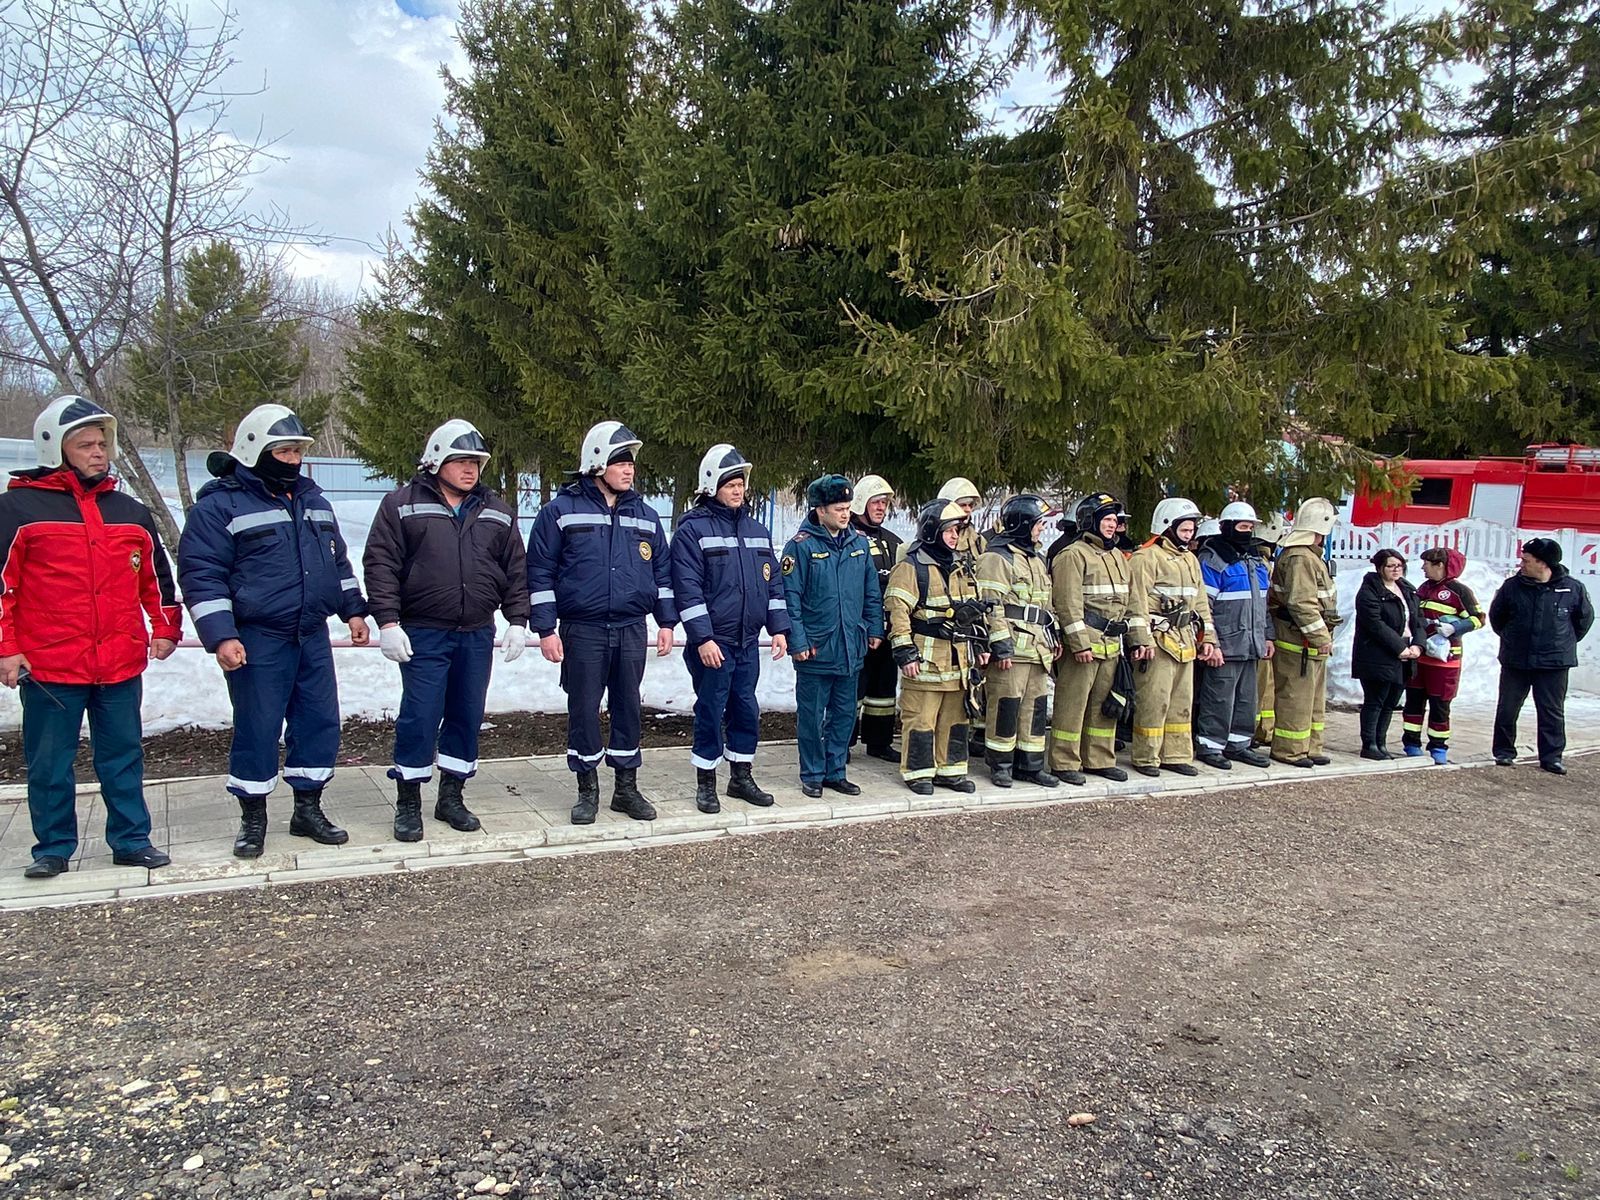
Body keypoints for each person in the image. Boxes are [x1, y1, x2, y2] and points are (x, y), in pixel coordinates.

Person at [0, 396, 181, 878]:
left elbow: (157, 579)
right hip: (50, 666)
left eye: (102, 444)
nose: (98, 453)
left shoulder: (130, 511)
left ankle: (130, 839)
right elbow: (3, 587)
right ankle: (54, 847)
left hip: (119, 660)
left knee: (123, 756)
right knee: (50, 763)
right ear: (55, 447)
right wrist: (7, 648)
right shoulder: (16, 510)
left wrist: (164, 627)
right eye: (85, 445)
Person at [179, 404, 371, 857]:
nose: (292, 460)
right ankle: (253, 819)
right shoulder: (219, 506)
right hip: (258, 637)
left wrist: (355, 612)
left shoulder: (314, 501)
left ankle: (308, 809)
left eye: (297, 452)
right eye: (282, 451)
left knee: (318, 723)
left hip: (312, 634)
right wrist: (222, 635)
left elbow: (337, 564)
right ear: (254, 450)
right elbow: (202, 575)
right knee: (258, 727)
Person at [362, 420, 529, 841]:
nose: (470, 470)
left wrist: (517, 620)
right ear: (436, 462)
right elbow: (380, 564)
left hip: (475, 633)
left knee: (466, 716)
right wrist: (388, 622)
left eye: (475, 462)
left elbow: (514, 571)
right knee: (419, 717)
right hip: (424, 632)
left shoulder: (498, 512)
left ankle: (451, 797)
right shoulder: (401, 505)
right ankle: (408, 802)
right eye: (460, 461)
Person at [526, 421, 678, 824]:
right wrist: (545, 628)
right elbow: (539, 572)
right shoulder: (560, 512)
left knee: (629, 707)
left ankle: (626, 789)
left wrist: (666, 622)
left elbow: (662, 574)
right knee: (583, 709)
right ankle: (587, 790)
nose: (629, 470)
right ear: (596, 463)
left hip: (631, 628)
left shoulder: (645, 516)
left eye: (631, 463)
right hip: (583, 630)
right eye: (620, 461)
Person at [670, 444, 790, 813]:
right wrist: (702, 638)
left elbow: (772, 585)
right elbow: (687, 589)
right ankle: (705, 782)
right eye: (730, 484)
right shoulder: (693, 531)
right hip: (714, 643)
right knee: (711, 709)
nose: (738, 491)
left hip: (747, 642)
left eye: (740, 484)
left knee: (745, 708)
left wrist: (780, 628)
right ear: (711, 486)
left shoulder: (757, 530)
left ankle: (741, 776)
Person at [781, 474, 885, 798]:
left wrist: (874, 627)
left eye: (847, 508)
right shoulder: (800, 546)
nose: (845, 514)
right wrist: (797, 641)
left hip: (850, 645)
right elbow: (790, 599)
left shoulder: (857, 544)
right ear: (820, 510)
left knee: (844, 714)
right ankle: (812, 773)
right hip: (816, 647)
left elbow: (871, 591)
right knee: (812, 717)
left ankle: (835, 770)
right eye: (838, 508)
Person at [884, 500, 990, 793]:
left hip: (959, 660)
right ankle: (918, 773)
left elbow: (973, 609)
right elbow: (897, 612)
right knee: (921, 719)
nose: (955, 536)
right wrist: (905, 652)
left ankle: (950, 771)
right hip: (926, 657)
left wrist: (981, 644)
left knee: (956, 719)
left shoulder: (960, 567)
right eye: (949, 530)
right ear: (932, 531)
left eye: (958, 530)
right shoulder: (911, 567)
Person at [1048, 492, 1148, 785]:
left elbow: (1134, 602)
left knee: (1105, 705)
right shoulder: (1072, 555)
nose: (1112, 525)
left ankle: (1099, 759)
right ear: (1089, 521)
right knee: (1073, 703)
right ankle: (1064, 761)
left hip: (1112, 643)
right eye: (1106, 519)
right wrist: (1078, 643)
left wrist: (1140, 639)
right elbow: (1067, 603)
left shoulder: (1118, 556)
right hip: (1086, 642)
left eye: (1115, 520)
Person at [1127, 498, 1219, 777]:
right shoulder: (1146, 558)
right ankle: (1146, 757)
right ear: (1167, 526)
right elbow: (1136, 603)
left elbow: (1201, 603)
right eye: (1185, 528)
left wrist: (1209, 639)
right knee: (1155, 701)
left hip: (1186, 640)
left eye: (1192, 529)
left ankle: (1176, 754)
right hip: (1158, 641)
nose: (1189, 534)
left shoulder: (1190, 559)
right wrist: (1141, 640)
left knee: (1181, 703)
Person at [976, 494, 1062, 788]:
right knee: (1005, 707)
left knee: (1035, 708)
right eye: (1038, 523)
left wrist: (1055, 635)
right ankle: (1000, 764)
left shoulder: (1037, 558)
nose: (1041, 528)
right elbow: (991, 605)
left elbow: (1046, 605)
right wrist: (1000, 646)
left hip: (1038, 650)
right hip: (1012, 649)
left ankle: (1030, 765)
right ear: (1022, 524)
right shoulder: (996, 558)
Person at [1489, 537, 1593, 775]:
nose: (1521, 564)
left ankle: (1551, 757)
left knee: (1551, 711)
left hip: (1554, 662)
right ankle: (1504, 752)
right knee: (1507, 707)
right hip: (1516, 659)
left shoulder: (1572, 588)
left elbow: (1582, 621)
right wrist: (1512, 639)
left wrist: (1561, 643)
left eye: (1526, 560)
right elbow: (1498, 618)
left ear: (1542, 563)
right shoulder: (1511, 586)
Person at [1194, 502, 1273, 770]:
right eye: (1242, 526)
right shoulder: (1213, 559)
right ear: (1226, 527)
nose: (1248, 531)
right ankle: (1210, 745)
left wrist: (1268, 636)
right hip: (1225, 643)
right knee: (1219, 697)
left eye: (1251, 527)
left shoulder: (1255, 559)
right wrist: (1210, 642)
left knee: (1246, 699)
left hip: (1252, 641)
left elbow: (1263, 602)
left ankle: (1239, 744)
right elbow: (1204, 606)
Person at [1267, 497, 1341, 768]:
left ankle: (1309, 746)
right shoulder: (1300, 558)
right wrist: (1320, 637)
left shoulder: (1309, 556)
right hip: (1298, 639)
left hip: (1310, 640)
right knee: (1296, 696)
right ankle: (1289, 750)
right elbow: (1302, 602)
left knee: (1312, 697)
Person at [1402, 547, 1484, 764]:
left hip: (1445, 661)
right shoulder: (1423, 588)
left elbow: (1478, 619)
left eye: (1427, 564)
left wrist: (1455, 628)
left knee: (1440, 705)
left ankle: (1438, 747)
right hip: (1420, 657)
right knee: (1413, 702)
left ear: (1440, 566)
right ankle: (1411, 743)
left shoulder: (1459, 592)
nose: (1423, 568)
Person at [848, 475, 902, 762]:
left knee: (883, 688)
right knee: (854, 688)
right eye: (876, 502)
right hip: (859, 629)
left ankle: (879, 741)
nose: (881, 508)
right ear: (861, 503)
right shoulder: (848, 538)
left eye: (884, 503)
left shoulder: (894, 542)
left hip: (890, 628)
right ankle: (841, 742)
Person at [1350, 549, 1423, 760]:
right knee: (1376, 699)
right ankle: (1369, 743)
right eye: (1390, 566)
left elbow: (1418, 619)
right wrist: (1398, 647)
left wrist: (1418, 645)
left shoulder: (1407, 589)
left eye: (1399, 565)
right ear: (1380, 567)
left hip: (1406, 651)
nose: (1395, 570)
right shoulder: (1369, 591)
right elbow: (1375, 624)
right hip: (1378, 652)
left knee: (1391, 701)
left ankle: (1381, 742)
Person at [1251, 514, 1288, 746]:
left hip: (1262, 632)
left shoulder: (1260, 561)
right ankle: (1261, 731)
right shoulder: (1260, 564)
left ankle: (1263, 729)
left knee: (1264, 685)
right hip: (1260, 633)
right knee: (1262, 686)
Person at [938, 477, 988, 564]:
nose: (968, 509)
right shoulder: (935, 538)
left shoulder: (978, 541)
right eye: (962, 505)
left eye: (970, 505)